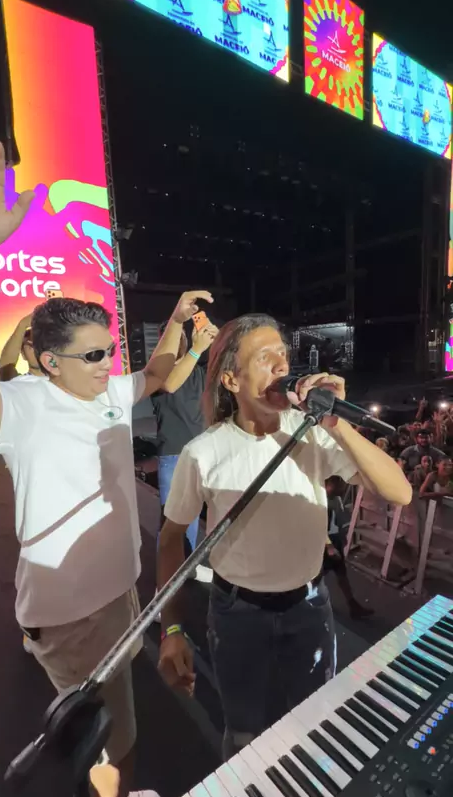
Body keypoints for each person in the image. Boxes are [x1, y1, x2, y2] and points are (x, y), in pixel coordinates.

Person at [0, 141, 213, 797]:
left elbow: (158, 375)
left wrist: (179, 325)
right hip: (76, 616)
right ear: (48, 361)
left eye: (110, 349)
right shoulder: (22, 405)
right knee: (119, 742)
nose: (110, 363)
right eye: (94, 354)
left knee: (103, 718)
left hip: (116, 594)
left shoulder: (101, 391)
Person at [157, 314, 412, 758]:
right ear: (232, 380)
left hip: (309, 607)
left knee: (315, 725)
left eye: (283, 355)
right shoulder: (204, 453)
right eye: (264, 357)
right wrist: (172, 627)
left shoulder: (313, 435)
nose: (281, 365)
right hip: (236, 613)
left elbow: (400, 492)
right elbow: (169, 539)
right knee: (244, 733)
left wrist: (336, 423)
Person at [152, 319, 218, 582]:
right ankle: (165, 586)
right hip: (174, 456)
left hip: (205, 453)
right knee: (175, 524)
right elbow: (170, 384)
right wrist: (196, 350)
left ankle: (187, 568)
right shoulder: (157, 373)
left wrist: (216, 341)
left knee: (210, 516)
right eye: (171, 335)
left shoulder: (199, 370)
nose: (177, 339)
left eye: (181, 334)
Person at [323, 476, 373, 620]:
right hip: (324, 545)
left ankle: (352, 605)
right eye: (340, 484)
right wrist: (329, 546)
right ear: (331, 483)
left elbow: (338, 522)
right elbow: (318, 526)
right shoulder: (321, 500)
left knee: (341, 574)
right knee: (316, 577)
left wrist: (341, 539)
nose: (344, 488)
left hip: (334, 541)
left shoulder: (336, 499)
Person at [0, 313, 43, 380]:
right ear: (23, 354)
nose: (37, 349)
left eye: (41, 344)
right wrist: (23, 324)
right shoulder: (20, 383)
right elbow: (5, 368)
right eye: (31, 345)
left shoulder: (59, 381)